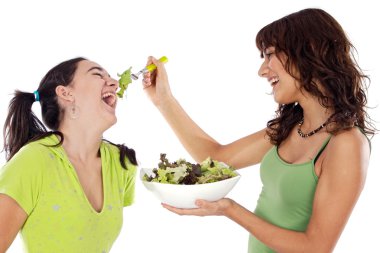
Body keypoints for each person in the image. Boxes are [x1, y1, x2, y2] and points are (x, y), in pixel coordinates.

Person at [142, 8, 375, 253]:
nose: (262, 70)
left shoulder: (346, 143)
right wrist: (164, 100)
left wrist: (230, 210)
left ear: (309, 52)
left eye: (270, 55)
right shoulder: (289, 128)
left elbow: (315, 247)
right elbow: (218, 158)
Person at [0, 57, 137, 253]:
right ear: (66, 93)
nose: (114, 83)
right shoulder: (33, 160)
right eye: (98, 74)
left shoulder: (121, 163)